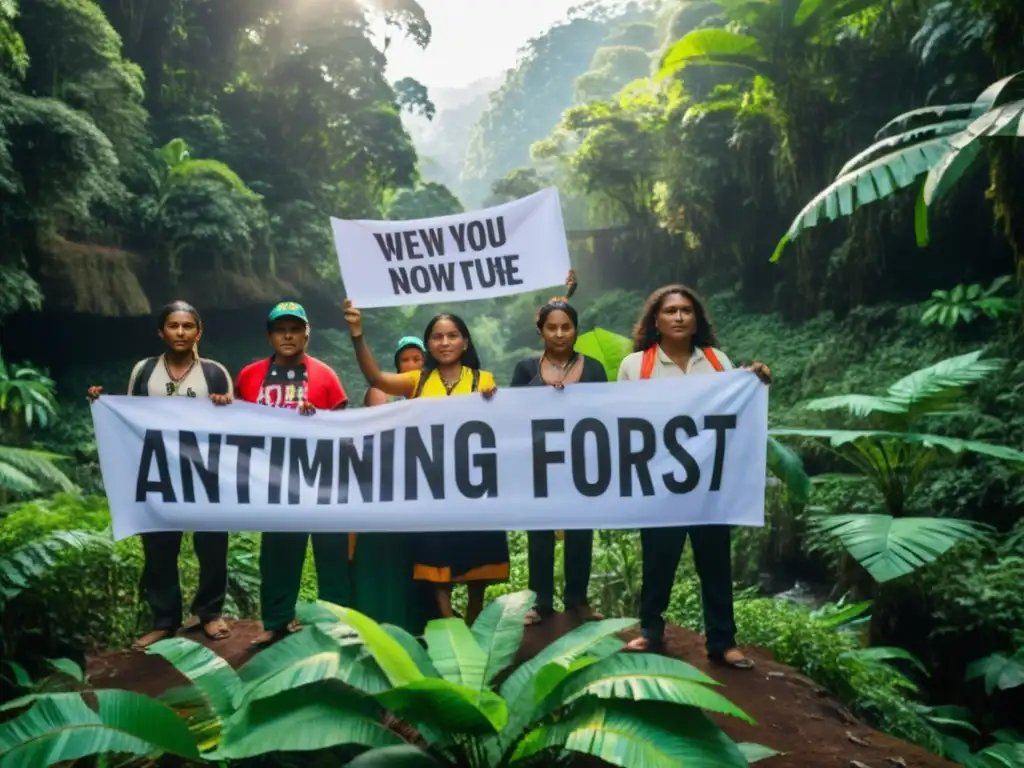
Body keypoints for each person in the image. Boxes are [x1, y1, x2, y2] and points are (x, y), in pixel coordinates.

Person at [617, 284, 771, 669]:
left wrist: (754, 378)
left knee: (715, 562)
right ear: (656, 320)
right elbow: (618, 419)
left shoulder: (718, 360)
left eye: (687, 310)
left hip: (709, 484)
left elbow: (734, 406)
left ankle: (723, 641)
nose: (680, 317)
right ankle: (651, 631)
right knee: (658, 559)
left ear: (697, 318)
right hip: (659, 482)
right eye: (671, 311)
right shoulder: (635, 367)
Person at [343, 300, 506, 624]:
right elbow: (376, 377)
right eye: (437, 337)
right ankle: (447, 621)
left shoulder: (483, 380)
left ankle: (474, 616)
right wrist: (358, 336)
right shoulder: (417, 380)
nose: (445, 342)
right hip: (431, 484)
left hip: (473, 482)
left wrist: (495, 401)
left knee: (479, 550)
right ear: (429, 343)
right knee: (435, 551)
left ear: (465, 342)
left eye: (452, 335)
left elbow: (500, 424)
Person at [86, 300, 234, 650]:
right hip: (157, 469)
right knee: (159, 547)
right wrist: (103, 402)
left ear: (199, 331)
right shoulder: (144, 371)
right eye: (173, 326)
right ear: (161, 331)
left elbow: (236, 423)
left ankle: (210, 613)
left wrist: (224, 404)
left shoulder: (214, 372)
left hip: (204, 469)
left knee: (212, 544)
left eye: (187, 326)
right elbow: (130, 414)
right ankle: (165, 621)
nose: (180, 332)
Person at [234, 301, 350, 648]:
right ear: (270, 336)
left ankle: (336, 622)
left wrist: (320, 419)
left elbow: (344, 424)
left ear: (306, 335)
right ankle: (276, 621)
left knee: (331, 552)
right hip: (275, 480)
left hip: (321, 478)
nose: (288, 335)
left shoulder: (325, 376)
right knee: (278, 553)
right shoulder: (249, 375)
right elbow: (236, 423)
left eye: (295, 328)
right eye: (281, 329)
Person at [509, 295, 607, 626]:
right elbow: (512, 413)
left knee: (581, 533)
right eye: (552, 327)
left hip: (582, 460)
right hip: (538, 460)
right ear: (541, 331)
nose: (560, 334)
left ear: (576, 330)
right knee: (539, 534)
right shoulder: (525, 368)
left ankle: (577, 600)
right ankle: (540, 602)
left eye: (566, 327)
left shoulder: (593, 368)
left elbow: (608, 412)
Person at [350, 334, 431, 633]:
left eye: (417, 359)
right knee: (380, 560)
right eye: (404, 360)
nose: (410, 365)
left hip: (420, 493)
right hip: (381, 489)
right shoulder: (382, 392)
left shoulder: (437, 393)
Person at [363, 336, 425, 406]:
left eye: (416, 360)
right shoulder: (381, 390)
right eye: (405, 360)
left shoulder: (432, 387)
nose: (410, 365)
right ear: (398, 365)